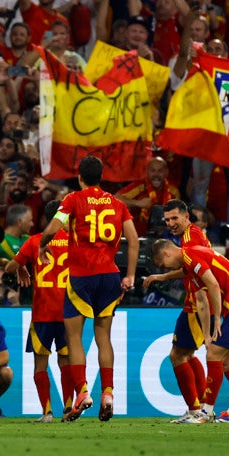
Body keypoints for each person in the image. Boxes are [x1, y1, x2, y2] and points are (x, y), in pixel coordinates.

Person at [38, 155, 138, 422]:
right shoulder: (117, 203)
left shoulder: (72, 199)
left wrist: (43, 243)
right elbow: (134, 238)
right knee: (103, 336)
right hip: (110, 277)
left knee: (74, 338)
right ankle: (107, 393)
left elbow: (55, 225)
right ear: (101, 176)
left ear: (79, 177)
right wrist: (129, 275)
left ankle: (82, 391)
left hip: (82, 277)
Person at [151, 238, 229, 423]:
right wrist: (207, 334)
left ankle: (207, 412)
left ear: (166, 253)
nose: (166, 268)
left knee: (213, 354)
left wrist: (217, 318)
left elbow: (213, 285)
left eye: (163, 265)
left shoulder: (190, 256)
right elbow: (198, 294)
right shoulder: (191, 259)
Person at [142, 199, 211, 423]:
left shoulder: (191, 239)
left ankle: (197, 409)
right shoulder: (191, 236)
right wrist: (163, 276)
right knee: (186, 354)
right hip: (197, 300)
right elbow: (189, 269)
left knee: (178, 355)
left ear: (186, 216)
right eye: (167, 219)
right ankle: (201, 409)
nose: (171, 223)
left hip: (198, 301)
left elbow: (202, 274)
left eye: (174, 218)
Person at [6, 216, 69, 422]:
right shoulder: (74, 241)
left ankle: (47, 412)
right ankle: (68, 409)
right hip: (69, 313)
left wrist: (22, 265)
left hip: (42, 313)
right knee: (66, 362)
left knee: (40, 365)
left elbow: (9, 268)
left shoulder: (35, 241)